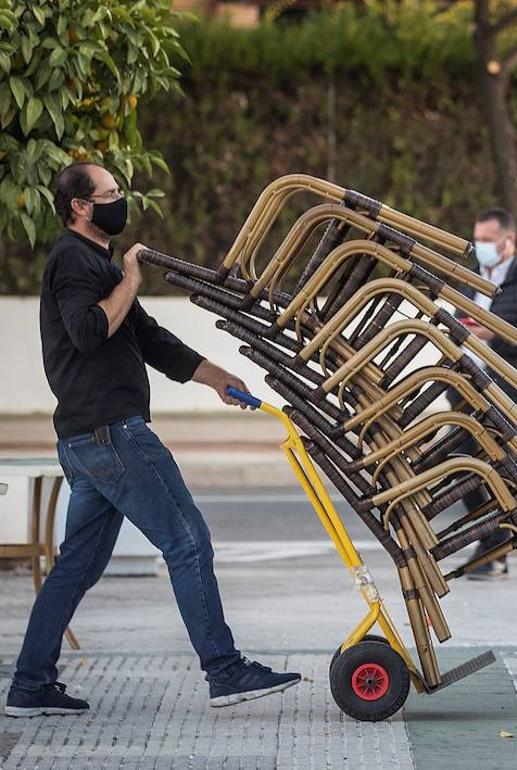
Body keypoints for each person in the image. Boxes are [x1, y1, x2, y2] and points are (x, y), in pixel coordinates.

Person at [5, 163, 301, 718]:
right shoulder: (73, 259)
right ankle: (225, 668)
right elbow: (90, 330)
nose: (122, 201)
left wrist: (217, 377)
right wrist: (132, 278)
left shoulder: (95, 262)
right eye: (110, 194)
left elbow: (148, 338)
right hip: (112, 434)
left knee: (77, 567)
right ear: (79, 207)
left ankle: (29, 684)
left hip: (87, 439)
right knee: (187, 540)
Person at [461, 208, 517, 580]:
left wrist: (492, 335)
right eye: (477, 239)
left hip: (504, 391)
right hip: (465, 385)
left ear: (508, 240)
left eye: (486, 240)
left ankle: (493, 549)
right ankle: (494, 543)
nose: (479, 247)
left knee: (491, 468)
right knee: (459, 465)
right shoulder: (470, 277)